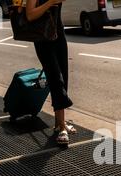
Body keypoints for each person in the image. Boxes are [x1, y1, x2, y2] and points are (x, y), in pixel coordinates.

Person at [26, 0, 76, 145]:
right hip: (42, 38)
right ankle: (61, 128)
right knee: (56, 79)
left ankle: (58, 122)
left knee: (63, 77)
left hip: (58, 34)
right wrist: (50, 2)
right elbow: (30, 15)